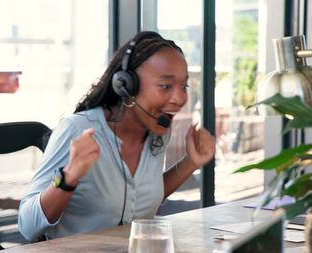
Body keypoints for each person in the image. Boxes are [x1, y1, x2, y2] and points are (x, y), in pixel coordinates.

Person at [18, 31, 216, 241]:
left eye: (183, 87)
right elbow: (27, 225)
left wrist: (190, 163)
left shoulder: (157, 134)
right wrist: (69, 177)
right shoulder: (77, 129)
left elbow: (139, 200)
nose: (179, 98)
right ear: (127, 85)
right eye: (165, 86)